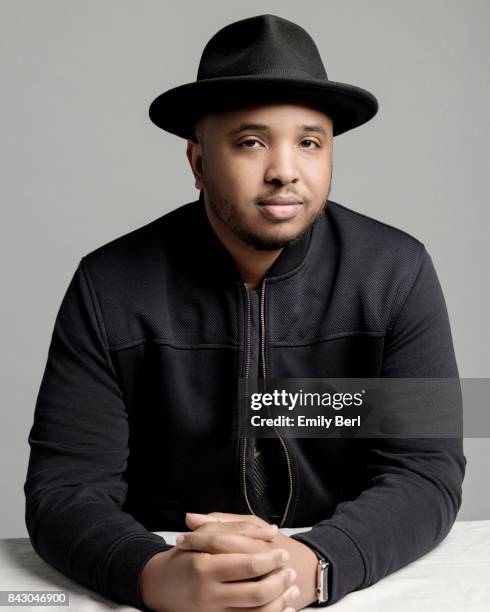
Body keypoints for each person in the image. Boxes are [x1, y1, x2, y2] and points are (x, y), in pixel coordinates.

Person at [24, 13, 466, 612]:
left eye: (310, 142)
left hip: (343, 581)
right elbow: (65, 488)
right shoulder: (109, 287)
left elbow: (426, 471)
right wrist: (151, 574)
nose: (285, 169)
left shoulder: (397, 273)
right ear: (199, 162)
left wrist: (314, 562)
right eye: (251, 142)